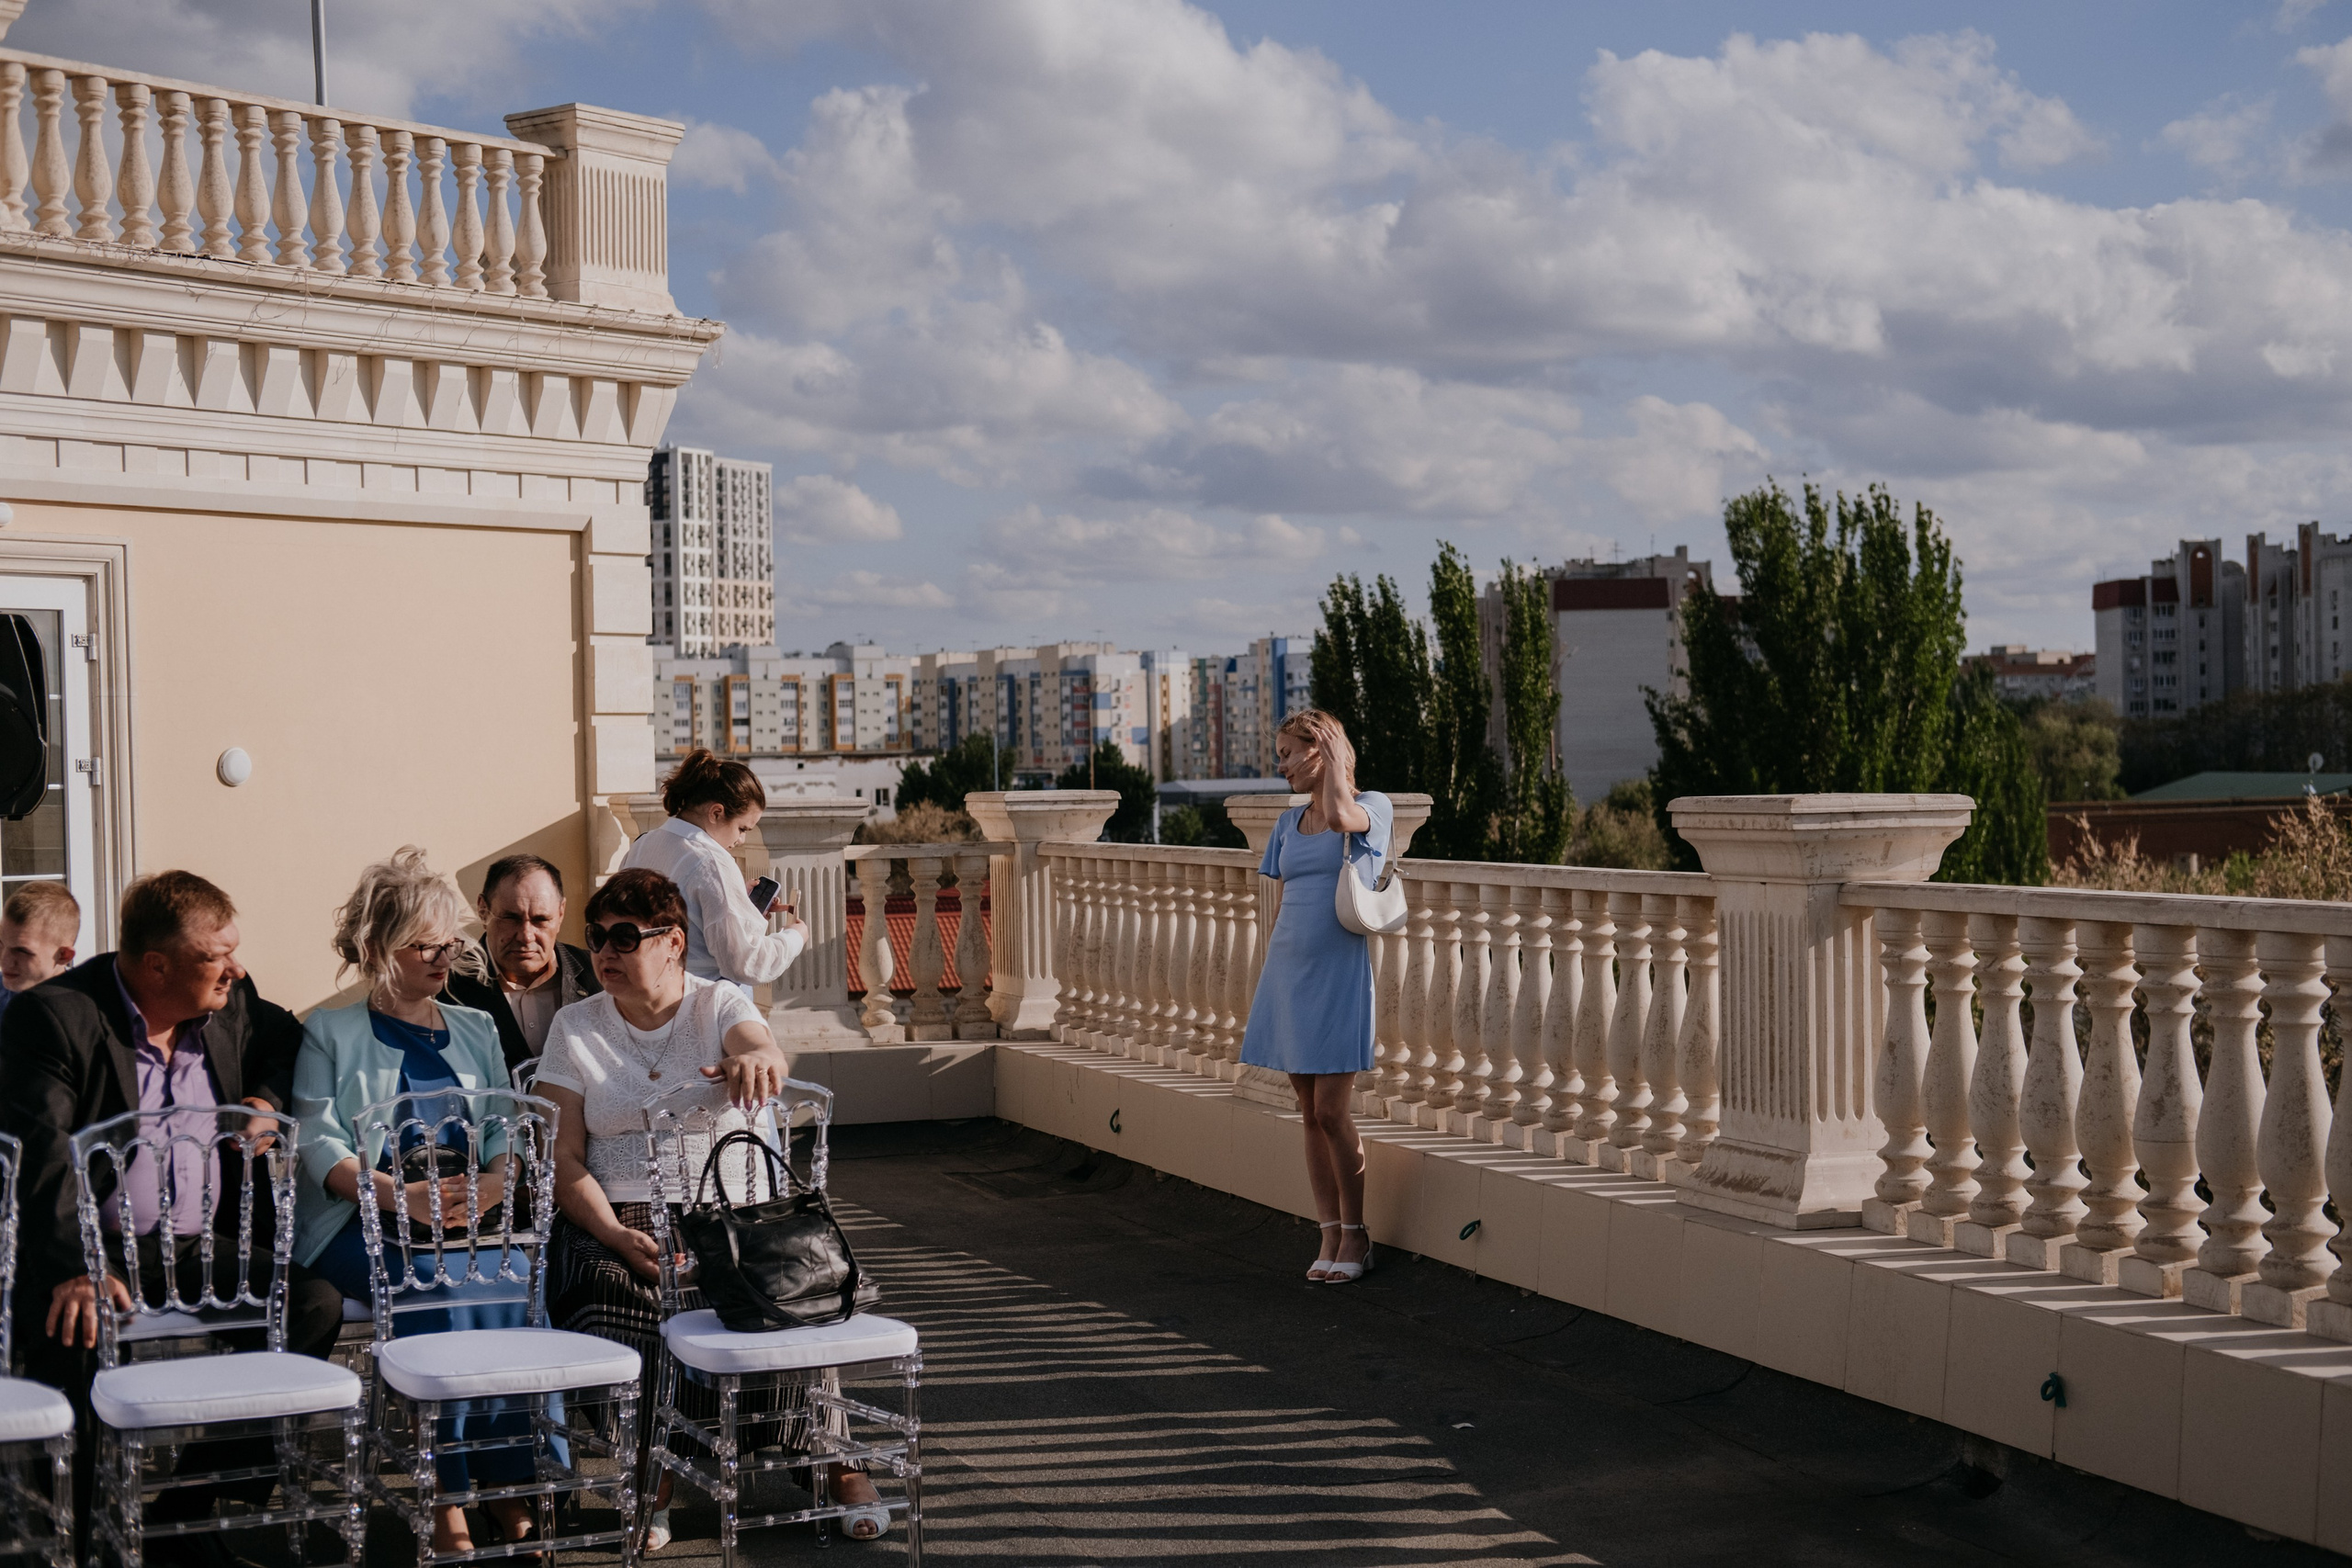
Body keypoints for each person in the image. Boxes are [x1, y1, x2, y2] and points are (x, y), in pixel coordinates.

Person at [535, 868, 884, 1548]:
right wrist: (610, 1228)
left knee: (778, 1297)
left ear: (672, 942)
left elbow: (759, 1045)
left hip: (729, 1218)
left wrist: (755, 1061)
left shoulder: (718, 1001)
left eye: (624, 937)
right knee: (609, 1295)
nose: (604, 950)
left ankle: (832, 1458)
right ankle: (651, 1473)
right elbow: (563, 1159)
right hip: (617, 1219)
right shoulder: (574, 1025)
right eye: (596, 936)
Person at [0, 871, 343, 1547]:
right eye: (217, 955)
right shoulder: (56, 1015)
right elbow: (39, 1160)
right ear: (157, 964)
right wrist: (77, 1268)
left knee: (312, 1304)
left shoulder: (230, 1000)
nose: (235, 967)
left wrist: (267, 1102)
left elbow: (286, 1041)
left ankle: (185, 1510)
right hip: (91, 1247)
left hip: (191, 1247)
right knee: (73, 1326)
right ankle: (81, 1530)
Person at [291, 847, 537, 1556]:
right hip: (363, 1219)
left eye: (449, 942)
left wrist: (498, 1178)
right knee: (440, 1292)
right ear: (375, 947)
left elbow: (505, 1122)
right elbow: (317, 1142)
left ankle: (508, 1483)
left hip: (466, 1213)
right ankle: (448, 1494)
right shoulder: (329, 1032)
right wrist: (400, 1199)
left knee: (510, 1282)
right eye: (424, 944)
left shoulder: (476, 1027)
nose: (442, 957)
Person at [1238, 709, 1394, 1285]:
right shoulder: (1287, 824)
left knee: (1332, 1110)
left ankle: (1356, 1234)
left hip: (1339, 975)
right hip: (1288, 973)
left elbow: (1340, 815)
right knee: (1306, 1113)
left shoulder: (1373, 806)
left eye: (1287, 753)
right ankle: (1327, 1231)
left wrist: (1335, 760)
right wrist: (1275, 973)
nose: (1279, 765)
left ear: (1318, 751)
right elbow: (1285, 904)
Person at [620, 750, 808, 995]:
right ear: (716, 813)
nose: (741, 840)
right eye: (742, 828)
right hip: (701, 1004)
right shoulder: (713, 862)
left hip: (646, 995)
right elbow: (745, 962)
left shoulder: (643, 844)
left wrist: (738, 899)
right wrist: (794, 937)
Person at [441, 852, 600, 1075]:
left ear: (561, 913)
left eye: (540, 920)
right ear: (483, 910)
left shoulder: (599, 975)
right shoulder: (447, 986)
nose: (526, 936)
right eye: (511, 918)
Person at [0, 880, 79, 1021]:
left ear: (63, 955)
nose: (4, 960)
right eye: (0, 944)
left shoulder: (89, 1012)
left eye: (21, 951)